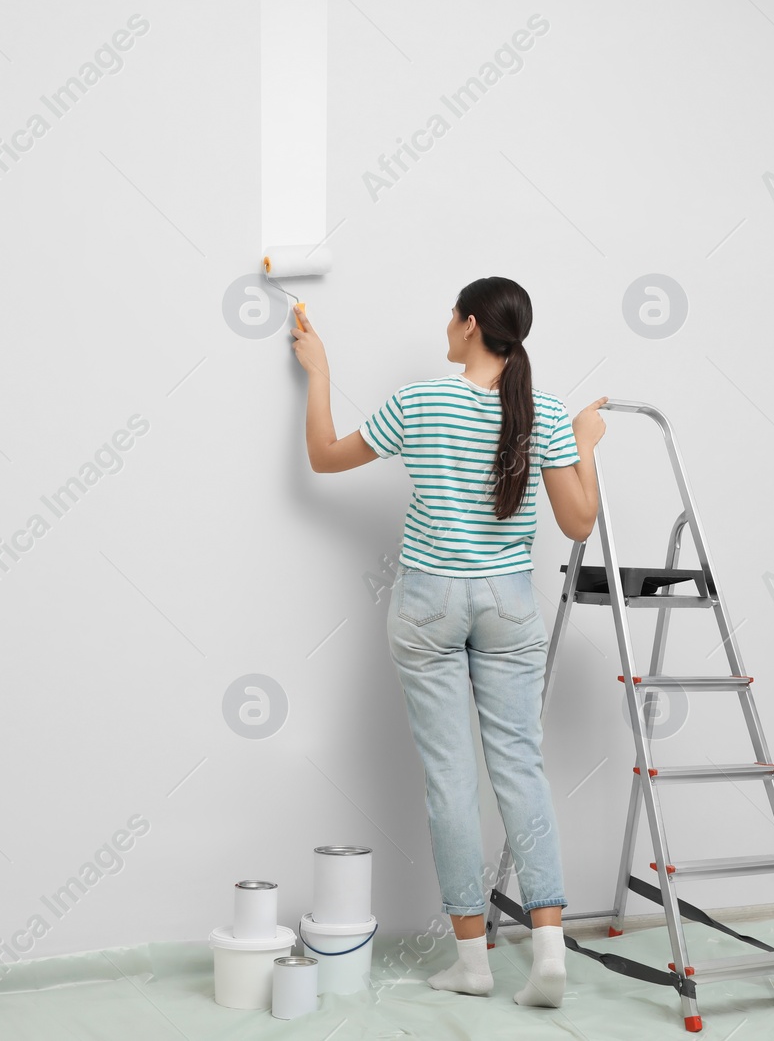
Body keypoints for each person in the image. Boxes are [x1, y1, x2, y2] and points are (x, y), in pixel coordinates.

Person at [291, 276, 607, 1008]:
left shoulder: (423, 400)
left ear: (469, 325)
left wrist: (320, 371)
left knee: (450, 780)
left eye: (450, 316)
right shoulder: (547, 412)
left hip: (429, 600)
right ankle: (550, 951)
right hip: (510, 602)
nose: (445, 326)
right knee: (521, 770)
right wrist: (586, 443)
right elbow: (580, 523)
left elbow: (325, 456)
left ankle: (471, 960)